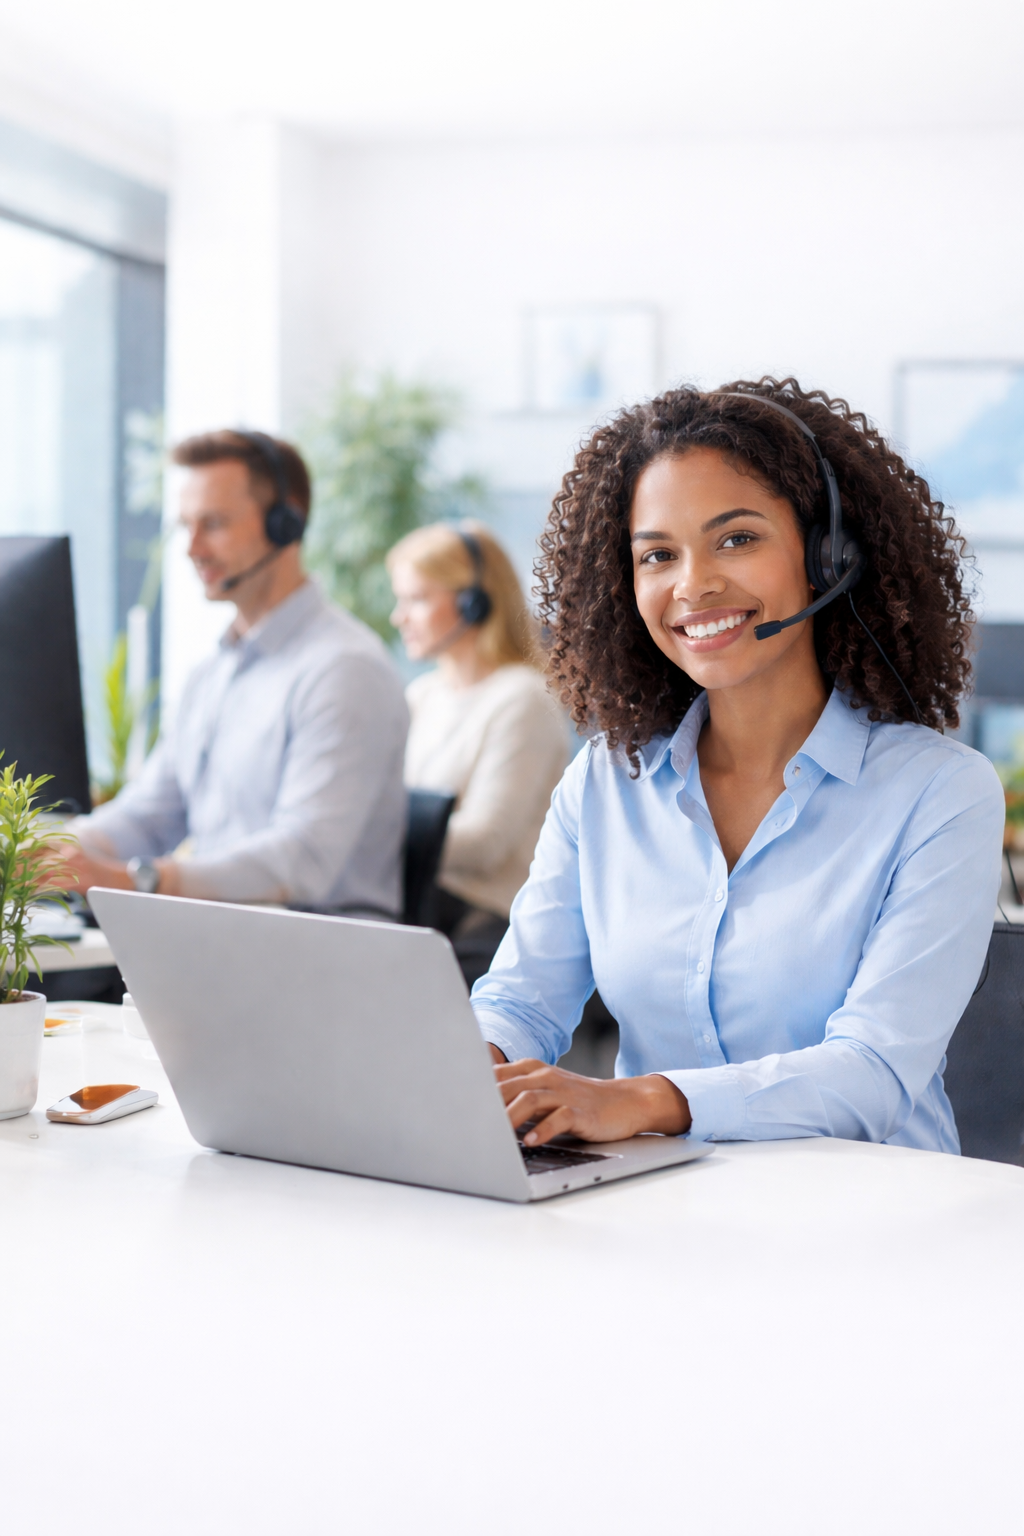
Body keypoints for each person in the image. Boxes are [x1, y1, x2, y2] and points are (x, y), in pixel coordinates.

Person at [471, 380, 1004, 1154]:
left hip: (875, 1229)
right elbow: (522, 998)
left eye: (737, 539)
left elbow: (876, 1071)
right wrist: (474, 1071)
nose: (693, 586)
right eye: (658, 555)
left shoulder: (939, 792)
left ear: (830, 555)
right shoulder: (606, 781)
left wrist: (647, 1100)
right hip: (653, 1213)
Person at [52, 430, 408, 913]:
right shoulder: (212, 673)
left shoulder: (344, 670)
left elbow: (302, 860)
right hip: (223, 942)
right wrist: (41, 851)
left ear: (286, 524)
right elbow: (150, 816)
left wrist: (133, 880)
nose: (192, 548)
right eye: (186, 526)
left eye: (213, 524)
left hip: (320, 960)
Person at [387, 522, 569, 984]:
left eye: (417, 599)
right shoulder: (422, 695)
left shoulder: (522, 698)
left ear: (474, 602)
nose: (399, 616)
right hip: (422, 911)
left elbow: (486, 843)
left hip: (486, 928)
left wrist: (372, 831)